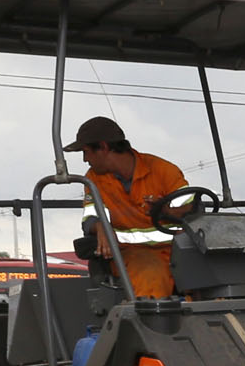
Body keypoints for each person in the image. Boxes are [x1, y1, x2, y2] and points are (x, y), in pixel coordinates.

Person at [71, 116, 191, 301]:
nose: (86, 159)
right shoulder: (93, 179)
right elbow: (90, 216)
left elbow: (192, 210)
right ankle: (152, 325)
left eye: (86, 152)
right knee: (150, 273)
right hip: (131, 253)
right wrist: (100, 226)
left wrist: (165, 211)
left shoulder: (163, 170)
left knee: (213, 273)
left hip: (179, 249)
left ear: (103, 147)